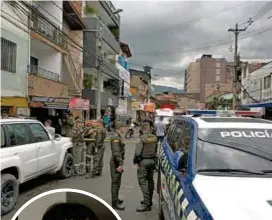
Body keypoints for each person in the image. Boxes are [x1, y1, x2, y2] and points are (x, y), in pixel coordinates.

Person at [134, 122, 158, 212]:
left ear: (142, 129)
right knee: (150, 180)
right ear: (149, 128)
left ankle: (146, 204)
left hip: (143, 162)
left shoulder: (142, 138)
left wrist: (136, 161)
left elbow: (137, 153)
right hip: (152, 161)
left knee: (142, 181)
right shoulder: (154, 138)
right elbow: (156, 150)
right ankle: (149, 201)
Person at [110, 121, 126, 210]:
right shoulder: (115, 138)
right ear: (119, 128)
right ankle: (114, 203)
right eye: (123, 127)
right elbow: (116, 152)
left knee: (118, 182)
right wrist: (120, 163)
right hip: (115, 163)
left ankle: (116, 199)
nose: (124, 129)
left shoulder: (118, 136)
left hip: (117, 162)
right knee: (115, 183)